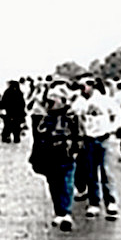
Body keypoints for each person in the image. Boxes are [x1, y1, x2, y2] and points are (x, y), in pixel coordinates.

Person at [70, 74, 121, 219]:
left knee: (107, 171)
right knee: (91, 173)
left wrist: (112, 128)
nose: (82, 90)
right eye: (80, 87)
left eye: (84, 87)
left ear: (91, 86)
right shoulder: (80, 102)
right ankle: (94, 203)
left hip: (104, 138)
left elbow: (118, 115)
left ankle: (111, 202)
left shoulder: (105, 101)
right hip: (88, 139)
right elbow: (73, 114)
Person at [31, 83, 81, 231]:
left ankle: (65, 212)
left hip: (65, 154)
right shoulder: (44, 117)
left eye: (53, 100)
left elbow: (78, 133)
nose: (50, 102)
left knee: (66, 183)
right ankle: (59, 211)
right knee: (54, 184)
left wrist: (76, 148)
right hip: (50, 156)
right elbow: (38, 136)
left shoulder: (71, 116)